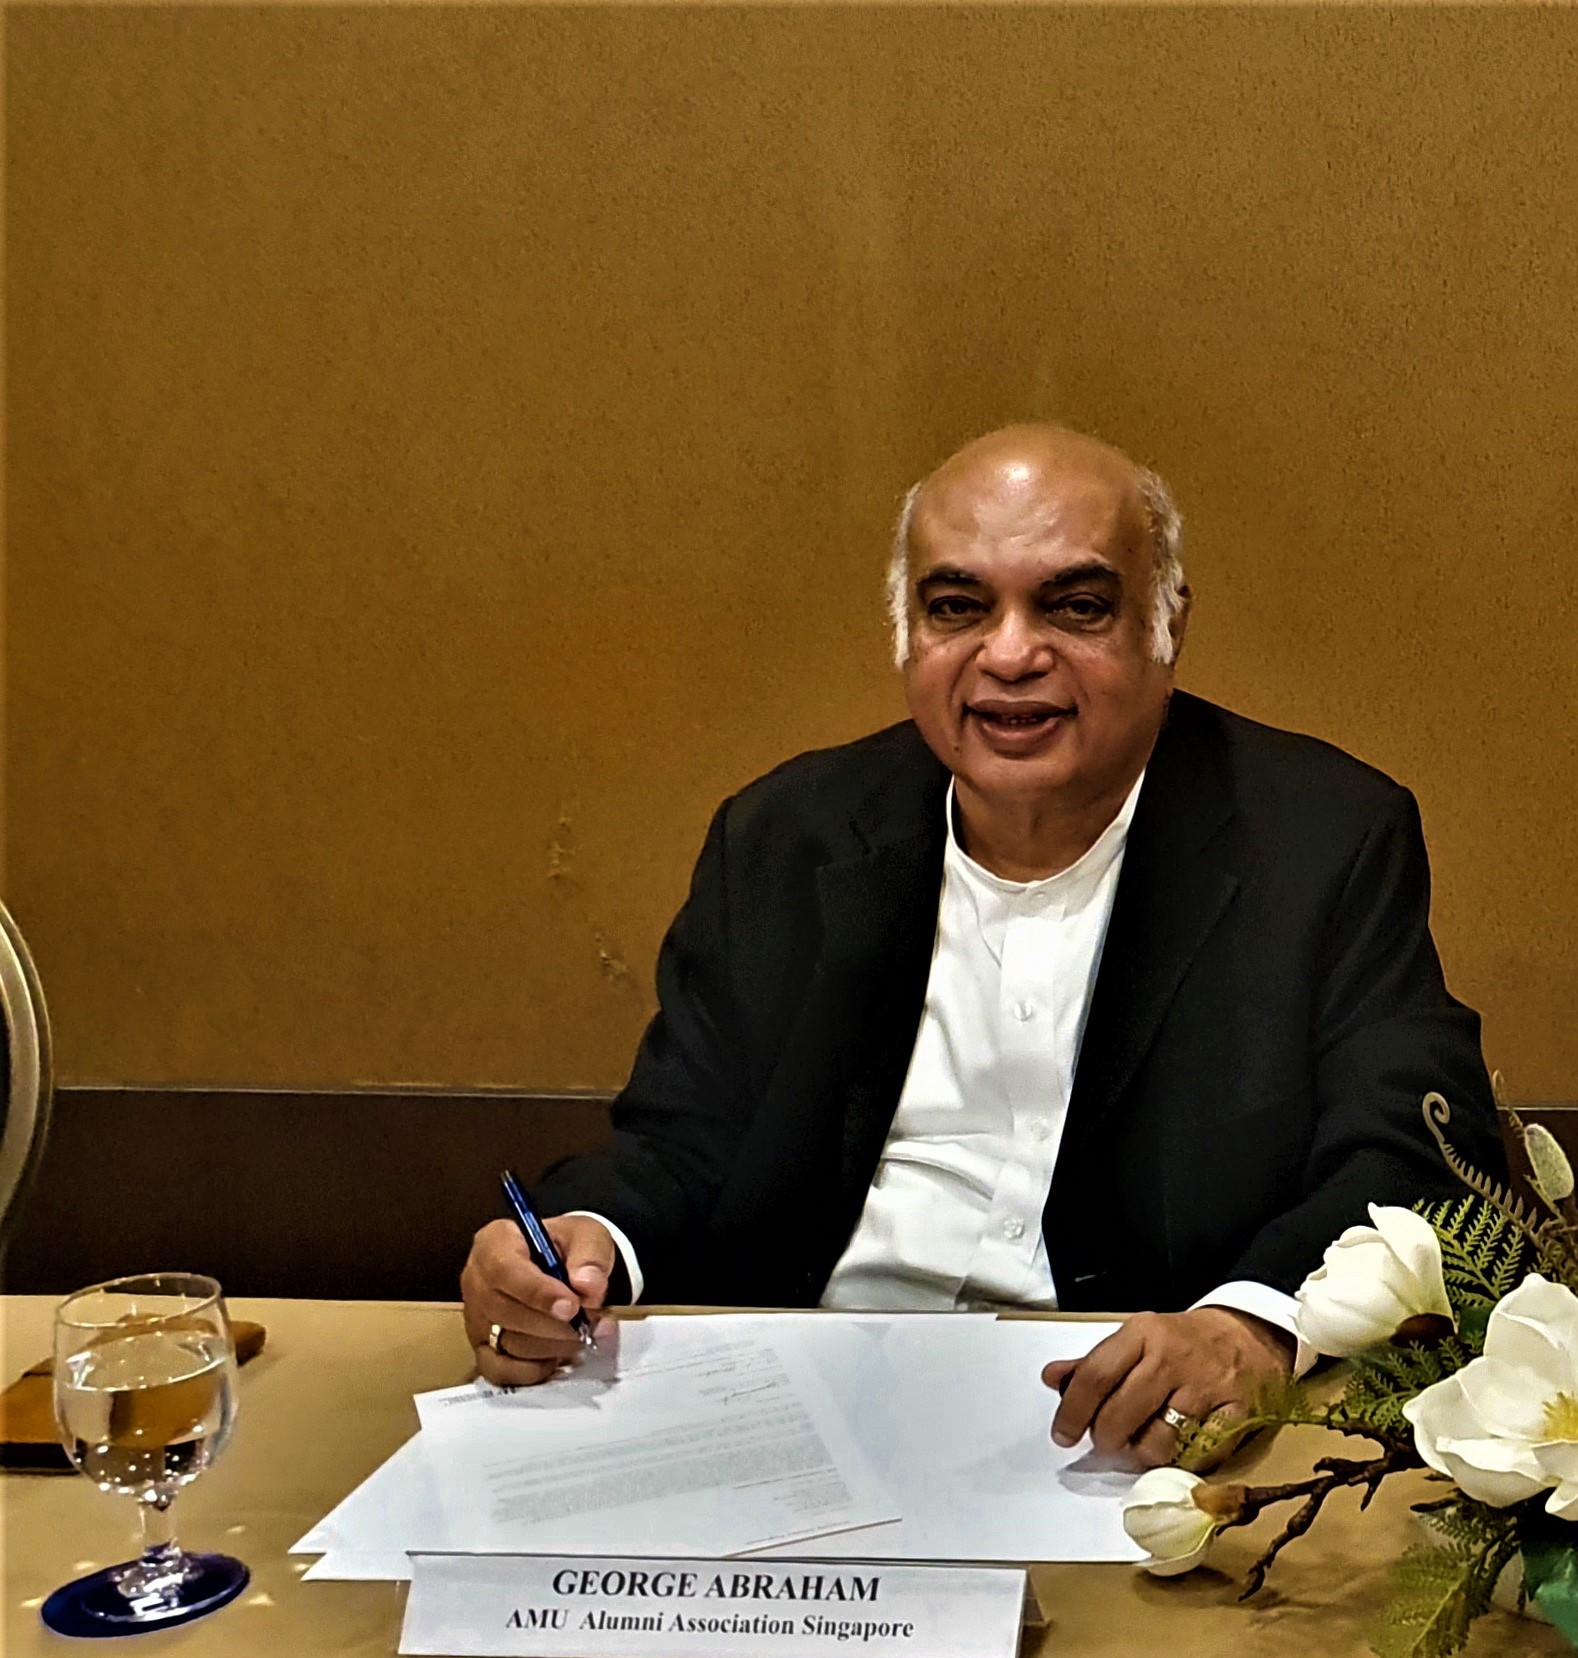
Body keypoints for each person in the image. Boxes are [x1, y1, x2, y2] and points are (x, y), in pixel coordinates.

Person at [454, 425, 1497, 1464]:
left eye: (1074, 606)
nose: (1008, 654)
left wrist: (1252, 1321)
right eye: (958, 608)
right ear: (906, 634)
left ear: (1165, 625)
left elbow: (1415, 1151)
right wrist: (582, 1249)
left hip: (1120, 1421)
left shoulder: (1321, 838)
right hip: (799, 1412)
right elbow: (679, 1143)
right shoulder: (784, 836)